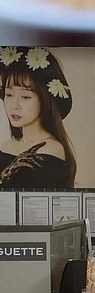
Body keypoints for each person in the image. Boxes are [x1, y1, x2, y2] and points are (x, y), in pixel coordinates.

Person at [0, 46, 76, 189]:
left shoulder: (50, 149)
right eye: (9, 95)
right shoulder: (6, 146)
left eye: (25, 97)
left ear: (45, 100)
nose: (14, 105)